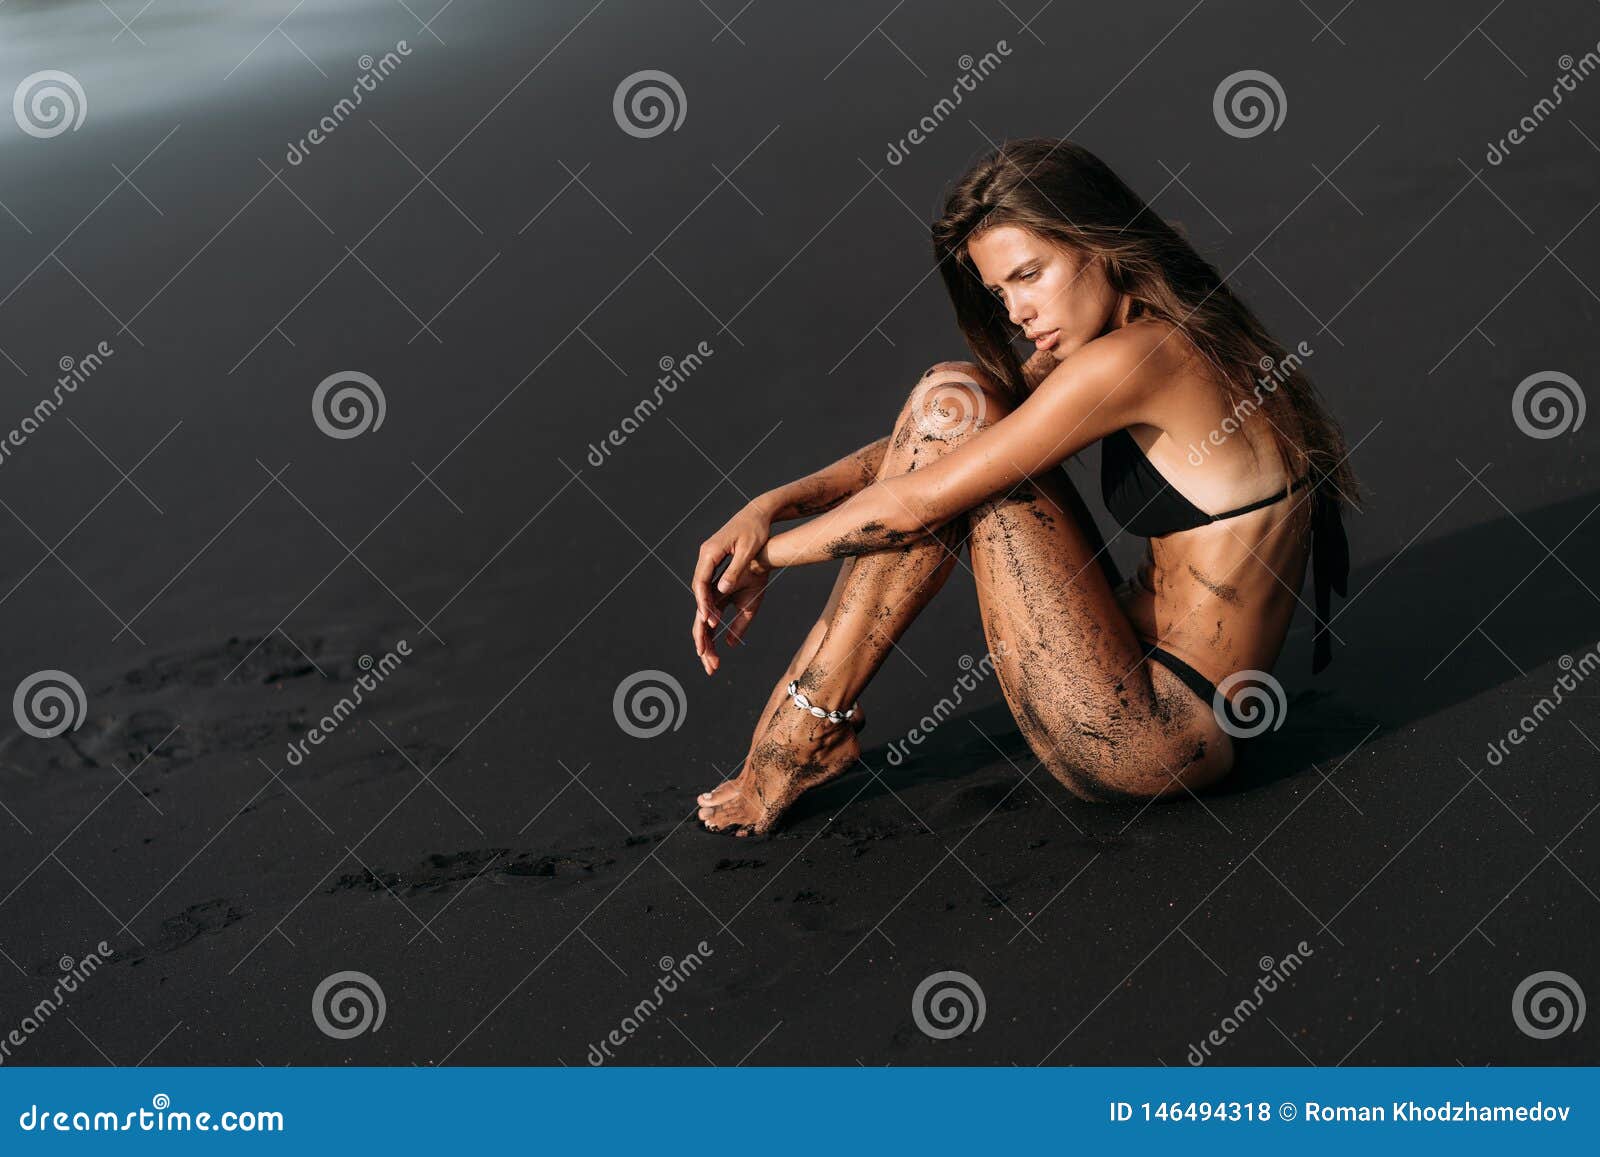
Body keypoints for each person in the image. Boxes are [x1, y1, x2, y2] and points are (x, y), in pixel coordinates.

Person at [689, 137, 1358, 837]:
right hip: (1149, 689)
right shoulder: (1161, 330)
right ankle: (808, 729)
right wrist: (772, 506)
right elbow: (931, 443)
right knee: (961, 398)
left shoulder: (1145, 358)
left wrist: (766, 557)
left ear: (1097, 242)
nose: (1017, 313)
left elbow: (921, 497)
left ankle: (799, 737)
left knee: (954, 403)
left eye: (1030, 275)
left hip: (1145, 737)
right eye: (1001, 292)